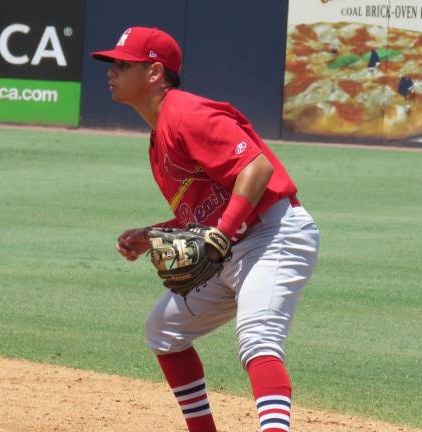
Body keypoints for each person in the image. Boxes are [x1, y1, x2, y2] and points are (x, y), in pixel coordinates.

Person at [92, 27, 320, 432]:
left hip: (273, 235)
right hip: (235, 244)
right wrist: (150, 234)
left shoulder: (188, 114)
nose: (112, 71)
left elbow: (257, 168)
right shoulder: (159, 135)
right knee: (163, 330)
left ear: (154, 72)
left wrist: (224, 234)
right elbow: (202, 211)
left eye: (124, 64)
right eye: (113, 65)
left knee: (257, 339)